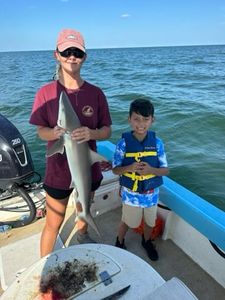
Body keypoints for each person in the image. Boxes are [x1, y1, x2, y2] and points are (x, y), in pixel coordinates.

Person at [30, 28, 112, 257]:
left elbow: (107, 130)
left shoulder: (96, 93)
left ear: (84, 56)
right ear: (56, 54)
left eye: (77, 51)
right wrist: (55, 133)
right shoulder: (46, 93)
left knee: (83, 208)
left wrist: (92, 134)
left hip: (89, 168)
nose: (72, 56)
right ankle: (44, 265)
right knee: (53, 223)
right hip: (57, 173)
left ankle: (82, 234)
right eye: (66, 51)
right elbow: (40, 132)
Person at [112, 98, 168, 261]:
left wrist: (151, 170)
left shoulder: (157, 143)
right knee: (128, 222)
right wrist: (129, 168)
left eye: (145, 119)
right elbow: (115, 170)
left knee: (150, 223)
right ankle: (119, 241)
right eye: (136, 119)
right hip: (131, 195)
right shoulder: (123, 144)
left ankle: (147, 241)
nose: (141, 124)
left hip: (151, 195)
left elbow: (165, 170)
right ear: (129, 119)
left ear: (152, 120)